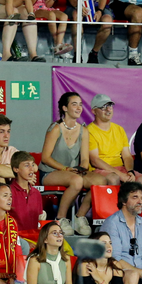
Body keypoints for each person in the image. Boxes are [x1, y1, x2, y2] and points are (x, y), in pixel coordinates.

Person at [40, 92, 103, 232]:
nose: (79, 108)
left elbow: (85, 159)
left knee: (100, 181)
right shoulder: (55, 128)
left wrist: (82, 168)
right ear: (65, 108)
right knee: (76, 181)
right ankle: (61, 219)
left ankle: (80, 217)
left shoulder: (83, 130)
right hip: (51, 172)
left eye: (80, 104)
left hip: (73, 172)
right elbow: (45, 158)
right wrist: (65, 169)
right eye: (74, 104)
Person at [26, 220, 74, 284]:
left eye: (61, 233)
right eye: (54, 233)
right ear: (45, 239)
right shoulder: (35, 260)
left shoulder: (66, 258)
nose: (59, 236)